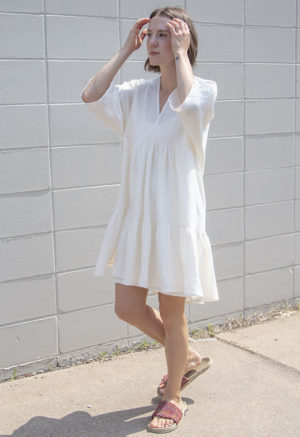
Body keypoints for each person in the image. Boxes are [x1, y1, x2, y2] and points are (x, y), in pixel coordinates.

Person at [81, 6, 219, 434]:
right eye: (152, 34)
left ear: (184, 40)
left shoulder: (205, 91)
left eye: (166, 34)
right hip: (138, 217)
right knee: (127, 307)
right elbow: (91, 95)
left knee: (172, 315)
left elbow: (187, 103)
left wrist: (180, 53)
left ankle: (174, 397)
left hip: (176, 218)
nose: (155, 41)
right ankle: (188, 357)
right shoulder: (136, 93)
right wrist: (126, 47)